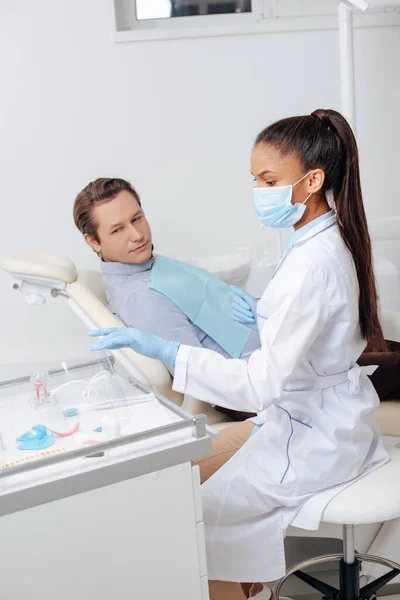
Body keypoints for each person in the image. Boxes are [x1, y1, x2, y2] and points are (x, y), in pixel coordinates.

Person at [89, 109, 389, 600]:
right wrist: (265, 315)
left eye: (269, 180)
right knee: (212, 519)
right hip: (329, 419)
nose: (259, 191)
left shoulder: (308, 265)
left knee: (192, 524)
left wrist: (168, 352)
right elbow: (316, 324)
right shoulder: (329, 235)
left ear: (312, 180)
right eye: (255, 179)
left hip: (311, 437)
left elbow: (257, 386)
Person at [73, 178, 261, 374]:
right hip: (262, 381)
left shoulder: (150, 265)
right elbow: (204, 378)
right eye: (117, 229)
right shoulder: (143, 299)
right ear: (94, 241)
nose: (137, 235)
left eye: (137, 218)